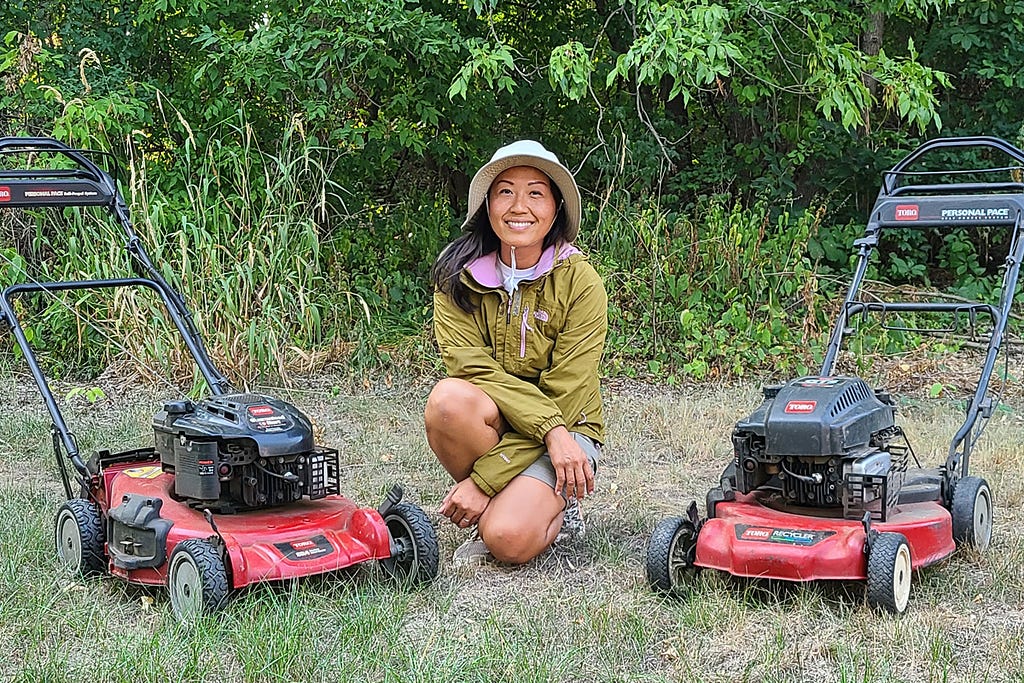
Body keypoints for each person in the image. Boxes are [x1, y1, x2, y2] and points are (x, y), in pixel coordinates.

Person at [424, 139, 608, 565]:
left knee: (506, 539)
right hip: (522, 423)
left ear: (556, 207)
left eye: (535, 193)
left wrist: (484, 481)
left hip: (568, 425)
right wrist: (546, 431)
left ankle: (553, 504)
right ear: (487, 204)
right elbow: (473, 371)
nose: (518, 206)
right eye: (505, 191)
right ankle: (517, 498)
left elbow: (567, 393)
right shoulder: (457, 278)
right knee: (448, 402)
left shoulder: (581, 282)